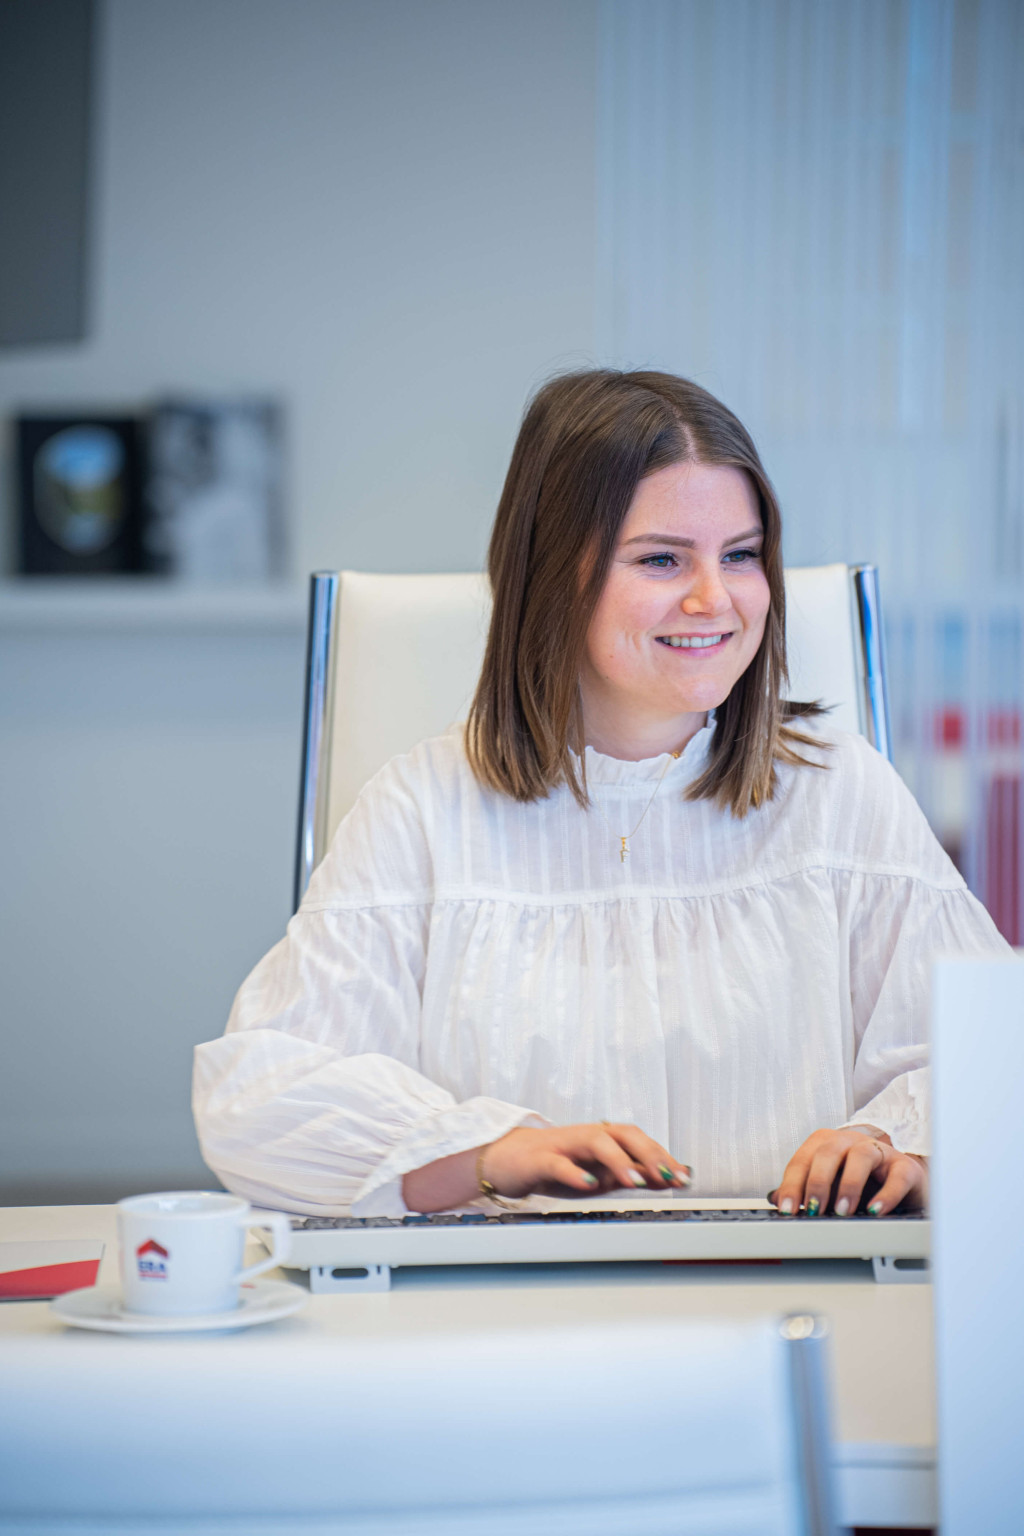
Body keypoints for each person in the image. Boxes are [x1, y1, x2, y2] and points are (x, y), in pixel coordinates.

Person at [193, 369, 1010, 1221]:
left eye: (740, 555)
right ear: (554, 576)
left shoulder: (844, 792)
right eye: (661, 559)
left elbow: (991, 1062)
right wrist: (486, 1156)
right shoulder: (420, 810)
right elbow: (258, 1095)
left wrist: (896, 1148)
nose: (714, 599)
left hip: (790, 1284)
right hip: (511, 1296)